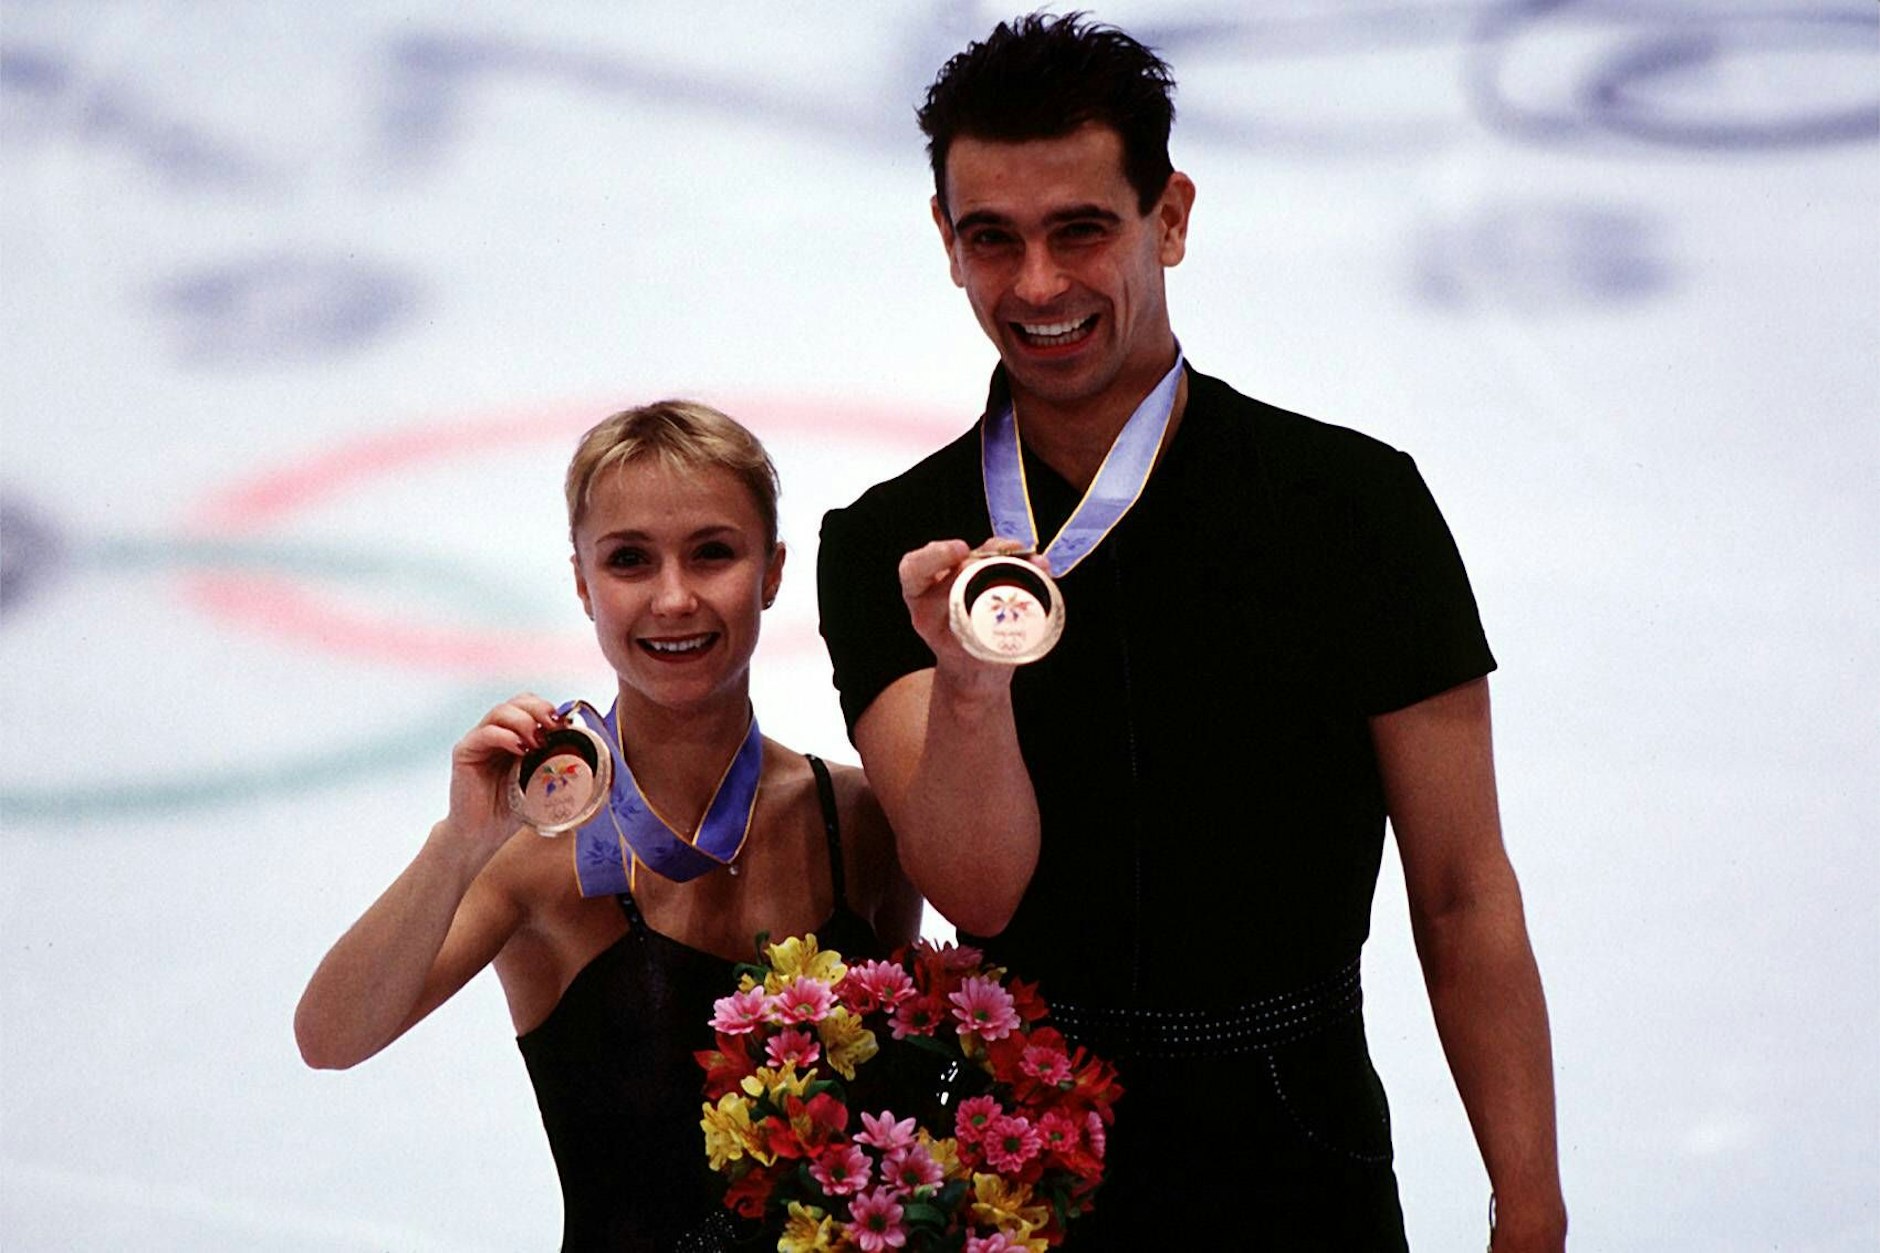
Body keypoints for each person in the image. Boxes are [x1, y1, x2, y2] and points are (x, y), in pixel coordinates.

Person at [816, 14, 1565, 1250]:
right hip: (1021, 1157)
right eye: (992, 239)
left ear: (1168, 217)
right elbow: (974, 886)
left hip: (1296, 1132)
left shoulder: (1352, 504)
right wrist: (963, 682)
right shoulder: (891, 543)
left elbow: (1461, 889)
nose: (1038, 285)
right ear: (945, 243)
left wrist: (1526, 1205)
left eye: (1080, 229)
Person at [297, 400, 924, 1252]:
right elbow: (330, 1036)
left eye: (713, 552)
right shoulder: (535, 859)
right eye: (630, 560)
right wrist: (458, 845)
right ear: (584, 583)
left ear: (772, 572)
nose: (674, 597)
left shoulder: (858, 818)